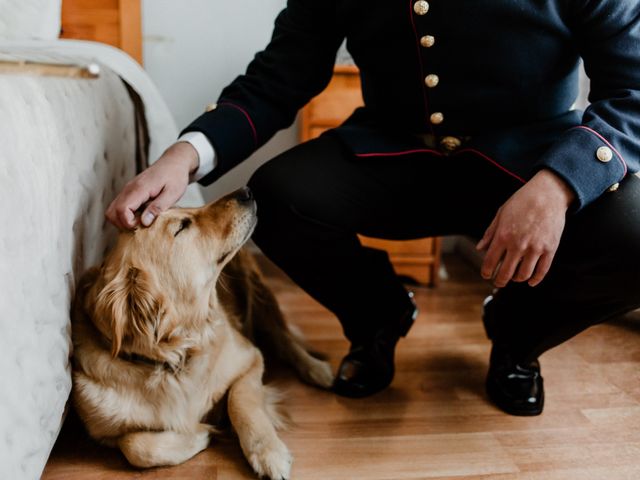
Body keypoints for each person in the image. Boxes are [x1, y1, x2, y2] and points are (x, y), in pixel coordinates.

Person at [107, 1, 640, 415]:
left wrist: (558, 184)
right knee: (272, 197)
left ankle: (518, 338)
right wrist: (182, 157)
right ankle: (379, 317)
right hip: (397, 156)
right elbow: (278, 76)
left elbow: (633, 88)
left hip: (528, 168)